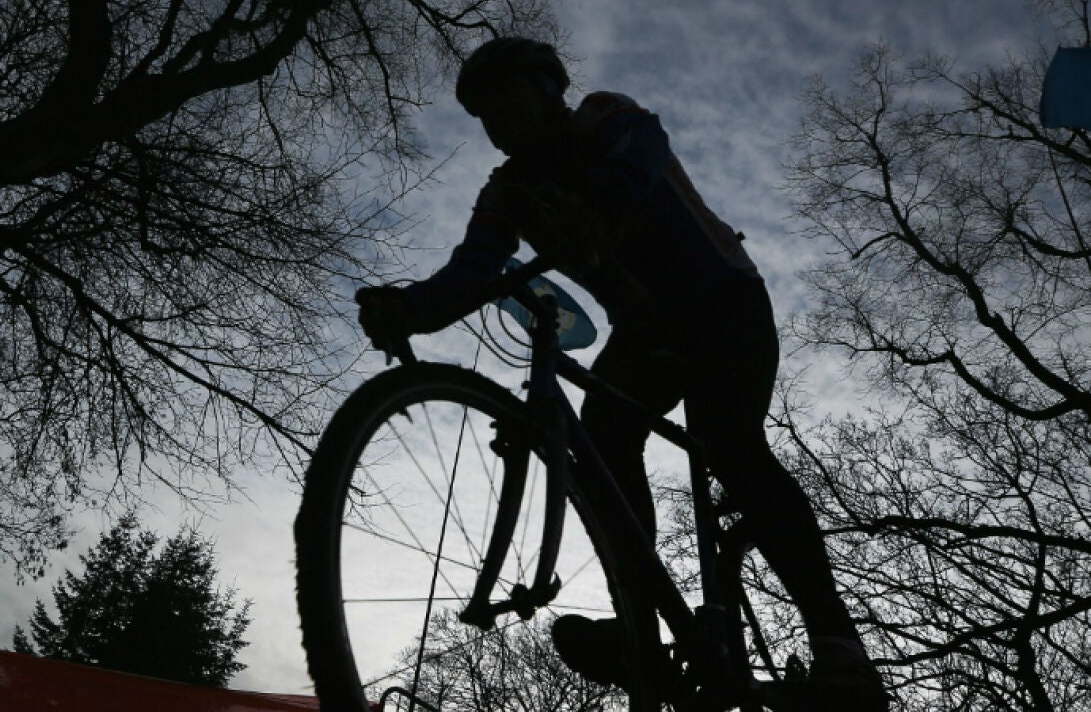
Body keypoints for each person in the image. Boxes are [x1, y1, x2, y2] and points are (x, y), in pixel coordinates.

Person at [355, 37, 888, 709]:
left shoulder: (599, 119)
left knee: (731, 443)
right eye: (484, 114)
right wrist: (411, 307)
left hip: (721, 298)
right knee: (603, 439)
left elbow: (644, 143)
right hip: (647, 332)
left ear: (548, 92)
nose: (497, 121)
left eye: (507, 98)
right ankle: (643, 627)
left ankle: (841, 647)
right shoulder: (509, 191)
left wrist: (606, 191)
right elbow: (473, 268)